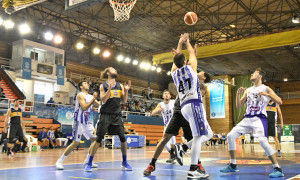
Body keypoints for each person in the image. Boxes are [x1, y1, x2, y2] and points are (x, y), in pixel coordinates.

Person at [220, 68, 284, 178]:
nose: (251, 74)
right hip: (247, 118)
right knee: (230, 136)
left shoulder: (266, 88)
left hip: (259, 119)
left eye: (254, 73)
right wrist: (238, 94)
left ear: (260, 76)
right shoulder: (248, 89)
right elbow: (239, 106)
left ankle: (277, 168)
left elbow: (280, 101)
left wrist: (267, 95)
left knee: (263, 142)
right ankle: (233, 164)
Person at [84, 67, 132, 172]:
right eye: (114, 70)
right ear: (108, 73)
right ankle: (89, 163)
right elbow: (103, 100)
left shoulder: (120, 86)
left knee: (123, 138)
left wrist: (127, 91)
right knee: (98, 139)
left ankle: (124, 162)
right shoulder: (103, 86)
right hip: (105, 115)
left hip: (117, 116)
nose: (116, 71)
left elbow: (123, 101)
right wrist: (109, 89)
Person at [56, 81, 100, 170]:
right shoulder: (80, 95)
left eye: (88, 83)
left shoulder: (91, 96)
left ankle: (88, 161)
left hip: (87, 122)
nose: (88, 84)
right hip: (79, 122)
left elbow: (99, 104)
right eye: (85, 83)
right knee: (75, 143)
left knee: (95, 141)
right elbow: (84, 107)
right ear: (81, 86)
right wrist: (93, 99)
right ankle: (59, 161)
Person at [151, 90, 176, 164]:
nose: (167, 95)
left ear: (170, 96)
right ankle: (173, 154)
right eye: (165, 94)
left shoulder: (174, 102)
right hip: (166, 125)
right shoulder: (160, 104)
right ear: (163, 96)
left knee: (172, 138)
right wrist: (158, 110)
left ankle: (172, 155)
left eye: (168, 94)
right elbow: (152, 113)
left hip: (174, 123)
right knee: (164, 142)